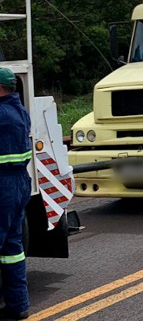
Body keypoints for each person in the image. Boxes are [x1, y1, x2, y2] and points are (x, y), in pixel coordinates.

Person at [0, 67, 31, 319]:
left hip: (3, 185)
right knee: (12, 248)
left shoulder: (2, 114)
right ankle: (18, 305)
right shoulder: (20, 111)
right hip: (19, 183)